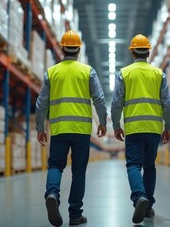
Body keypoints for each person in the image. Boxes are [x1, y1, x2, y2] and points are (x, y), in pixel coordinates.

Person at [35, 30, 108, 226]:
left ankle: (52, 193)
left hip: (59, 129)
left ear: (62, 49)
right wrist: (102, 121)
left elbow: (41, 103)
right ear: (78, 50)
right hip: (81, 131)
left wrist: (40, 127)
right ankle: (75, 214)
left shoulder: (52, 73)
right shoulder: (87, 71)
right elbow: (99, 99)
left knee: (56, 165)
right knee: (79, 172)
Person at [110, 34, 170, 224]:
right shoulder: (158, 74)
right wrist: (168, 126)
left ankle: (139, 197)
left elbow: (116, 103)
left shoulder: (125, 73)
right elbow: (168, 105)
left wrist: (116, 125)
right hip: (154, 128)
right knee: (150, 166)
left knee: (133, 165)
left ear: (132, 52)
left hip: (134, 128)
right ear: (148, 52)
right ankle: (148, 206)